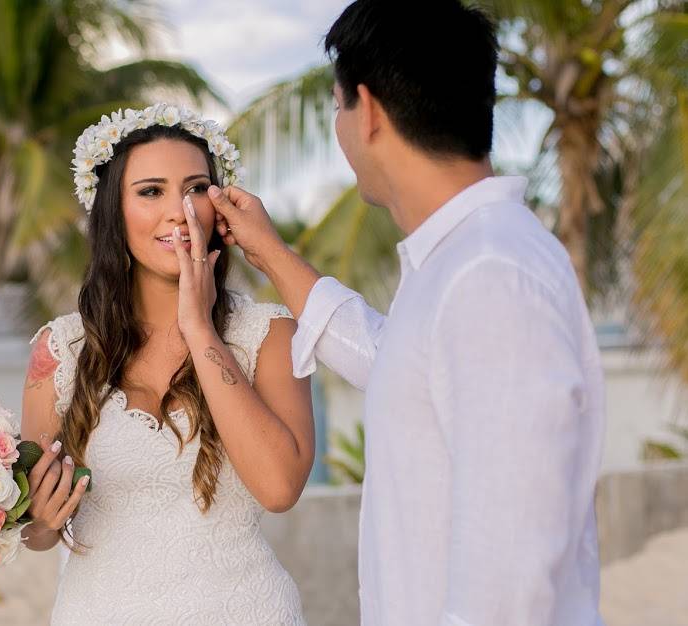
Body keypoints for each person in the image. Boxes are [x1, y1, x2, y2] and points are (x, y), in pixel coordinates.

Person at [207, 2, 606, 625]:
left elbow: (510, 578)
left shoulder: (490, 276)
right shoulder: (461, 263)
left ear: (366, 112)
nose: (340, 126)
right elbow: (388, 357)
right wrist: (272, 255)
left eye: (337, 106)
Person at [19, 104, 315, 624]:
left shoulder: (268, 334)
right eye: (150, 191)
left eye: (197, 188)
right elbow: (38, 533)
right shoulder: (61, 350)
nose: (179, 210)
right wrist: (40, 523)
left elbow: (279, 488)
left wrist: (201, 330)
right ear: (114, 210)